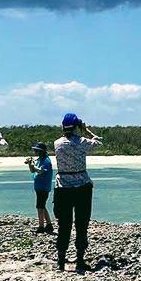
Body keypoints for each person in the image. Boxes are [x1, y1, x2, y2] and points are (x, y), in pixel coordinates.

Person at [52, 113, 101, 272]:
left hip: (63, 188)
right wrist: (86, 130)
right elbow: (99, 142)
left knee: (63, 225)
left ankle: (61, 261)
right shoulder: (81, 142)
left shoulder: (57, 144)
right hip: (81, 186)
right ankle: (80, 259)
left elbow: (66, 137)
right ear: (76, 126)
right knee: (81, 224)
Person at [26, 143, 54, 233]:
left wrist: (32, 165)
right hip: (39, 187)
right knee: (42, 206)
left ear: (41, 151)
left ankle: (41, 226)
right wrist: (30, 163)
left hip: (44, 187)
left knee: (39, 207)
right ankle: (49, 224)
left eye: (36, 150)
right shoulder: (39, 160)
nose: (35, 152)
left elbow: (40, 171)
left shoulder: (46, 161)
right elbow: (32, 170)